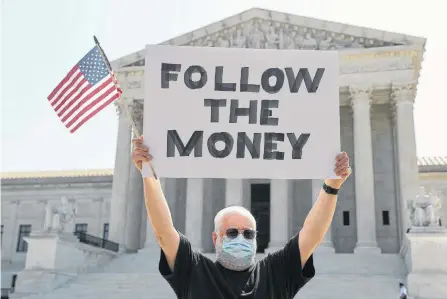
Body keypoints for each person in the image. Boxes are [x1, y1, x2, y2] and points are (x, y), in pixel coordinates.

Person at [132, 136, 352, 299]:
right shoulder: (196, 272)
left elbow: (312, 235)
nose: (241, 238)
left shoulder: (274, 273)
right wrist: (149, 176)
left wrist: (331, 187)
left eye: (248, 233)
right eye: (232, 232)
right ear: (215, 238)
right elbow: (163, 231)